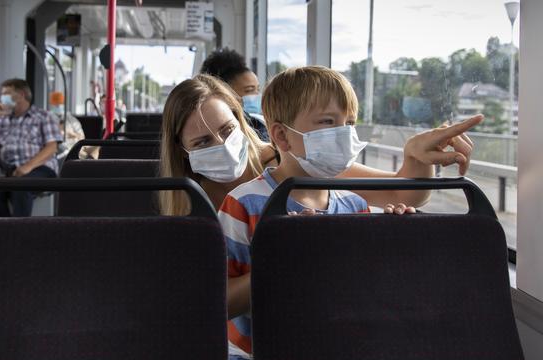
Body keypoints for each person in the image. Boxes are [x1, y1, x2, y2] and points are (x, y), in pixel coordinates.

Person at [220, 66, 483, 359]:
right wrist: (285, 258)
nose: (344, 134)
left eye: (349, 123)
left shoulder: (355, 204)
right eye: (328, 122)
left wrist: (389, 240)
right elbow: (220, 303)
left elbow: (361, 291)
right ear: (282, 136)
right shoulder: (244, 204)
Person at [159, 74, 279, 215]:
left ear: (238, 119)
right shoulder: (186, 196)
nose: (224, 146)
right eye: (203, 142)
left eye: (228, 129)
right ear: (183, 151)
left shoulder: (281, 164)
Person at [0, 78, 62, 217]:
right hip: (12, 170)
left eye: (7, 93)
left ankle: (20, 233)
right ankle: (3, 230)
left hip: (40, 167)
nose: (2, 98)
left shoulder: (43, 116)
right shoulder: (3, 120)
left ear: (21, 95)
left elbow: (52, 147)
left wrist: (27, 167)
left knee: (21, 187)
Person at [201, 48, 268, 141]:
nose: (257, 95)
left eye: (258, 89)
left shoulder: (259, 126)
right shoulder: (204, 127)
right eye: (249, 90)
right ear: (225, 93)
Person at [49, 91, 85, 158]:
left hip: (72, 149)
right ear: (51, 105)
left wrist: (71, 134)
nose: (58, 106)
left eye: (60, 104)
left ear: (64, 105)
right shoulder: (47, 119)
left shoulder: (72, 120)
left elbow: (82, 138)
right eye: (56, 105)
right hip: (53, 149)